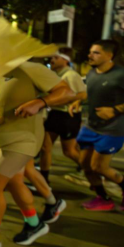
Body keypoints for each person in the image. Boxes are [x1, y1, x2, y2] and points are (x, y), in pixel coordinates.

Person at [0, 62, 74, 247]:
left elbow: (67, 92)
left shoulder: (29, 68)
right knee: (14, 182)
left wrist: (39, 102)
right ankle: (34, 223)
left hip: (22, 140)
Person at [71, 40, 124, 212]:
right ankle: (103, 198)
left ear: (109, 56)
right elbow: (92, 91)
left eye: (96, 53)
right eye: (91, 52)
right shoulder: (92, 73)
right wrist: (79, 100)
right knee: (85, 164)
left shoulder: (123, 75)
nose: (90, 55)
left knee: (99, 167)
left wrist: (115, 110)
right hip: (91, 126)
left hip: (112, 129)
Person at [40, 48, 87, 182]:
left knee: (69, 151)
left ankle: (91, 170)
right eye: (51, 58)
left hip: (67, 116)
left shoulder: (71, 75)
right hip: (55, 114)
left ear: (65, 60)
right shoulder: (56, 75)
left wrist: (71, 100)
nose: (52, 60)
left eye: (55, 58)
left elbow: (83, 94)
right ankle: (44, 179)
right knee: (45, 147)